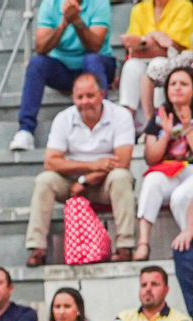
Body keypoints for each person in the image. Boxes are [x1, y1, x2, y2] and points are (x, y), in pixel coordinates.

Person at [24, 73, 135, 267]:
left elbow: (123, 161)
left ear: (102, 94)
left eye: (90, 96)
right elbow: (50, 162)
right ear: (73, 98)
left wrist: (87, 179)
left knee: (121, 176)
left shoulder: (120, 115)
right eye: (80, 97)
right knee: (44, 180)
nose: (85, 102)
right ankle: (37, 248)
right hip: (71, 181)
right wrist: (91, 166)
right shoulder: (64, 118)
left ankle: (125, 245)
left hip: (104, 181)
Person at [8, 0, 115, 152]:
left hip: (98, 65)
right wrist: (64, 23)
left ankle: (104, 126)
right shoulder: (50, 4)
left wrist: (77, 20)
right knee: (37, 63)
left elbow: (95, 46)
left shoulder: (99, 3)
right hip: (64, 69)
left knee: (91, 60)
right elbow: (41, 48)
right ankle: (25, 130)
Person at [141, 67, 193, 262]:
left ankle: (187, 244)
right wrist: (165, 136)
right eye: (173, 84)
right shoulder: (159, 115)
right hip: (167, 170)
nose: (177, 88)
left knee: (181, 196)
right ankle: (143, 243)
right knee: (152, 181)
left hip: (191, 171)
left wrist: (187, 128)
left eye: (184, 84)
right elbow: (150, 158)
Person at [121, 0, 193, 124]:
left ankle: (159, 118)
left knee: (158, 62)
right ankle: (127, 120)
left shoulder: (184, 6)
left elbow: (170, 48)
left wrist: (143, 41)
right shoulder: (138, 9)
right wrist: (155, 36)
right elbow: (132, 50)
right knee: (131, 65)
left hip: (177, 62)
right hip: (143, 60)